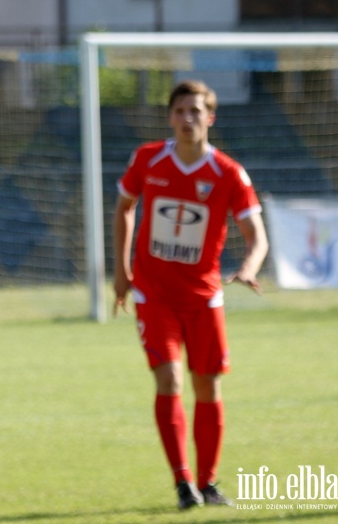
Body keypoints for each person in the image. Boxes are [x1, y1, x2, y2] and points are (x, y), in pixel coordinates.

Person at [112, 80, 268, 510]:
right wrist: (121, 271)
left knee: (208, 387)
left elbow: (257, 236)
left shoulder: (228, 173)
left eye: (196, 111)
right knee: (170, 378)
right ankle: (184, 484)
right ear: (169, 117)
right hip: (154, 294)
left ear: (210, 118)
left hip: (204, 297)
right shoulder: (147, 159)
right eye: (180, 111)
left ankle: (209, 483)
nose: (187, 119)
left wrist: (249, 268)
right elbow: (124, 207)